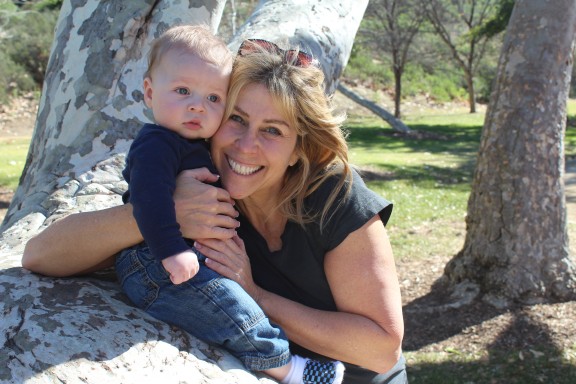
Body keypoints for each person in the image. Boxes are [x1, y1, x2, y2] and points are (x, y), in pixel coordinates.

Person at [22, 37, 407, 384]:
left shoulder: (334, 196)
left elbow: (380, 349)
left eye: (272, 130)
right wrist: (166, 213)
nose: (245, 145)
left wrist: (255, 292)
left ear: (298, 150)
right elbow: (40, 255)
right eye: (236, 119)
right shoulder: (195, 173)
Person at [117, 26, 345, 384]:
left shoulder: (198, 144)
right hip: (156, 262)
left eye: (213, 99)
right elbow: (147, 200)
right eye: (182, 91)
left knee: (231, 303)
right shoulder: (157, 145)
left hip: (177, 262)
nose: (197, 105)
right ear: (149, 91)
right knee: (229, 308)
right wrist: (172, 248)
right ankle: (288, 369)